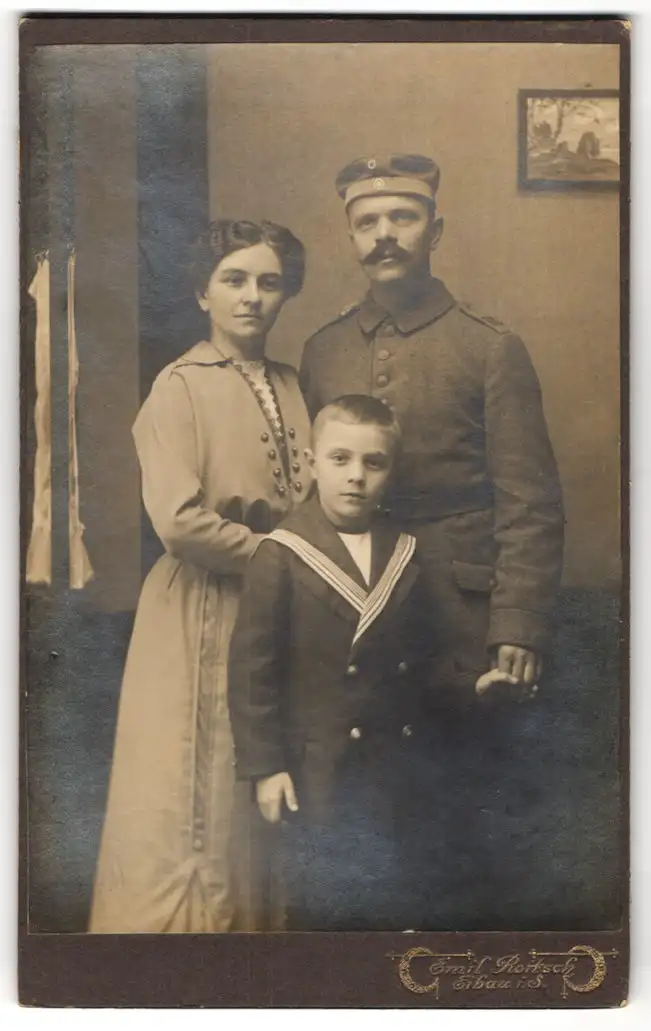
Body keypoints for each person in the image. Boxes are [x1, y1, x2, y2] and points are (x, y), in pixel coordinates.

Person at [89, 219, 312, 933]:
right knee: (197, 796)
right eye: (233, 280)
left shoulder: (294, 383)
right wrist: (281, 558)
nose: (251, 297)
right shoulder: (177, 386)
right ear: (201, 292)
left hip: (279, 608)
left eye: (268, 282)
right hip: (199, 610)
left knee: (258, 796)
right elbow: (181, 522)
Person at [299, 153, 564, 707]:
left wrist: (517, 621)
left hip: (463, 610)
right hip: (356, 598)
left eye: (403, 217)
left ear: (435, 231)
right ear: (351, 237)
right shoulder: (323, 351)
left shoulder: (489, 347)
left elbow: (530, 501)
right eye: (367, 223)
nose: (385, 236)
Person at [229, 395, 440, 930]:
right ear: (311, 462)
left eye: (374, 463)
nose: (356, 478)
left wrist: (474, 683)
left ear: (391, 471)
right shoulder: (282, 553)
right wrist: (266, 767)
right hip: (314, 766)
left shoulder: (407, 551)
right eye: (340, 459)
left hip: (393, 762)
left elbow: (424, 659)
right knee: (319, 903)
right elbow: (254, 673)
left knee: (393, 901)